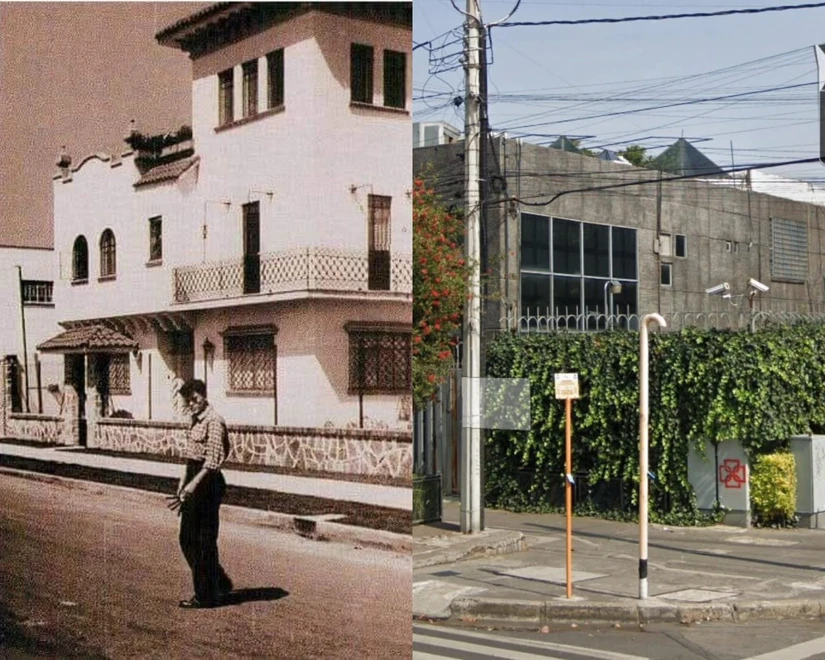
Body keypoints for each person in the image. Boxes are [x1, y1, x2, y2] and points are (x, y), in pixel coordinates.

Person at [174, 378, 233, 609]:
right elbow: (190, 457)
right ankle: (217, 580)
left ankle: (205, 595)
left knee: (205, 540)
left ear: (204, 395)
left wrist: (192, 485)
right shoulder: (194, 420)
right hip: (193, 479)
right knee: (186, 538)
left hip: (208, 484)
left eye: (195, 398)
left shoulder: (214, 421)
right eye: (188, 399)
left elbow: (213, 461)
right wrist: (182, 483)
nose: (192, 403)